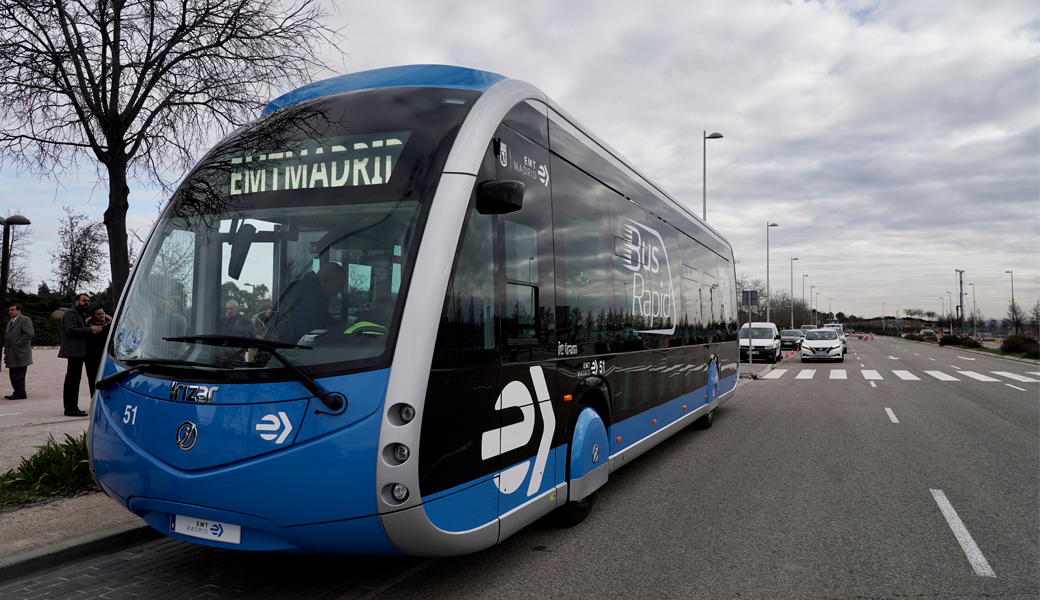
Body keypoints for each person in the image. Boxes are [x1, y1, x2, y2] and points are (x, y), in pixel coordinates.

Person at [272, 262, 346, 344]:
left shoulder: (308, 291)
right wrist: (339, 329)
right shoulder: (307, 297)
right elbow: (308, 335)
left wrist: (342, 327)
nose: (340, 291)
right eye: (339, 286)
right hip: (291, 350)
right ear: (326, 280)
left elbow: (322, 321)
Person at [58, 293, 101, 417]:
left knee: (73, 380)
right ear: (76, 301)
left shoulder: (79, 314)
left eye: (88, 301)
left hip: (78, 351)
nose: (86, 303)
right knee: (73, 380)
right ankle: (71, 409)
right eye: (84, 300)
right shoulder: (71, 313)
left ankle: (71, 407)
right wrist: (90, 330)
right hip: (74, 351)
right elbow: (71, 330)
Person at [3, 304, 34, 400]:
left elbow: (29, 333)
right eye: (9, 310)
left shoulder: (24, 319)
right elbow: (8, 339)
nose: (10, 311)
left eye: (12, 310)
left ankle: (20, 393)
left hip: (20, 353)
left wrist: (18, 343)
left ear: (19, 310)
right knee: (13, 374)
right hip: (11, 353)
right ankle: (17, 392)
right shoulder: (10, 322)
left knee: (19, 374)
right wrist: (6, 353)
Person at [84, 305, 112, 398]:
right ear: (92, 316)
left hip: (108, 358)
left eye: (102, 313)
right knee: (94, 381)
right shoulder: (88, 328)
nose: (102, 315)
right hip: (92, 359)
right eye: (98, 314)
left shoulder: (111, 326)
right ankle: (95, 399)